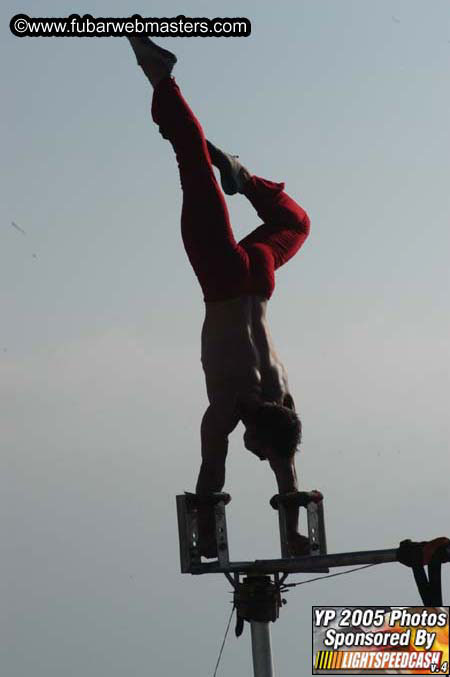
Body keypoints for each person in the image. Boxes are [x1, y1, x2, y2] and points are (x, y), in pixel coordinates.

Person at [128, 36, 314, 558]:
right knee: (190, 160)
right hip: (222, 279)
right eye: (258, 451)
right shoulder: (230, 406)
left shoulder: (282, 402)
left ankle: (243, 176)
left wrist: (296, 530)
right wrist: (206, 536)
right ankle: (160, 77)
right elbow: (212, 475)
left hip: (260, 282)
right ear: (255, 432)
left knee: (294, 224)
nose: (257, 457)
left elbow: (288, 472)